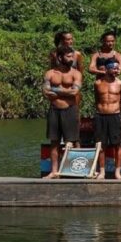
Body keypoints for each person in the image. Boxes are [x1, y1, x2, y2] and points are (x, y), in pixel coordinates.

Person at [41, 46, 82, 179]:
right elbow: (46, 92)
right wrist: (65, 91)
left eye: (72, 56)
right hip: (54, 110)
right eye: (68, 56)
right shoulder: (50, 73)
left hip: (70, 109)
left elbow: (75, 92)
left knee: (74, 141)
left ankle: (77, 171)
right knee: (54, 142)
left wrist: (56, 89)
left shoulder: (76, 74)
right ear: (60, 57)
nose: (71, 59)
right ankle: (54, 171)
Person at [93, 59, 121, 179]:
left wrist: (115, 110)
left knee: (118, 145)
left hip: (115, 116)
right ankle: (102, 171)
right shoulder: (97, 83)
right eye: (114, 68)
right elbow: (97, 99)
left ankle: (117, 172)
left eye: (117, 68)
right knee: (100, 144)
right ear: (107, 69)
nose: (116, 70)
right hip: (100, 116)